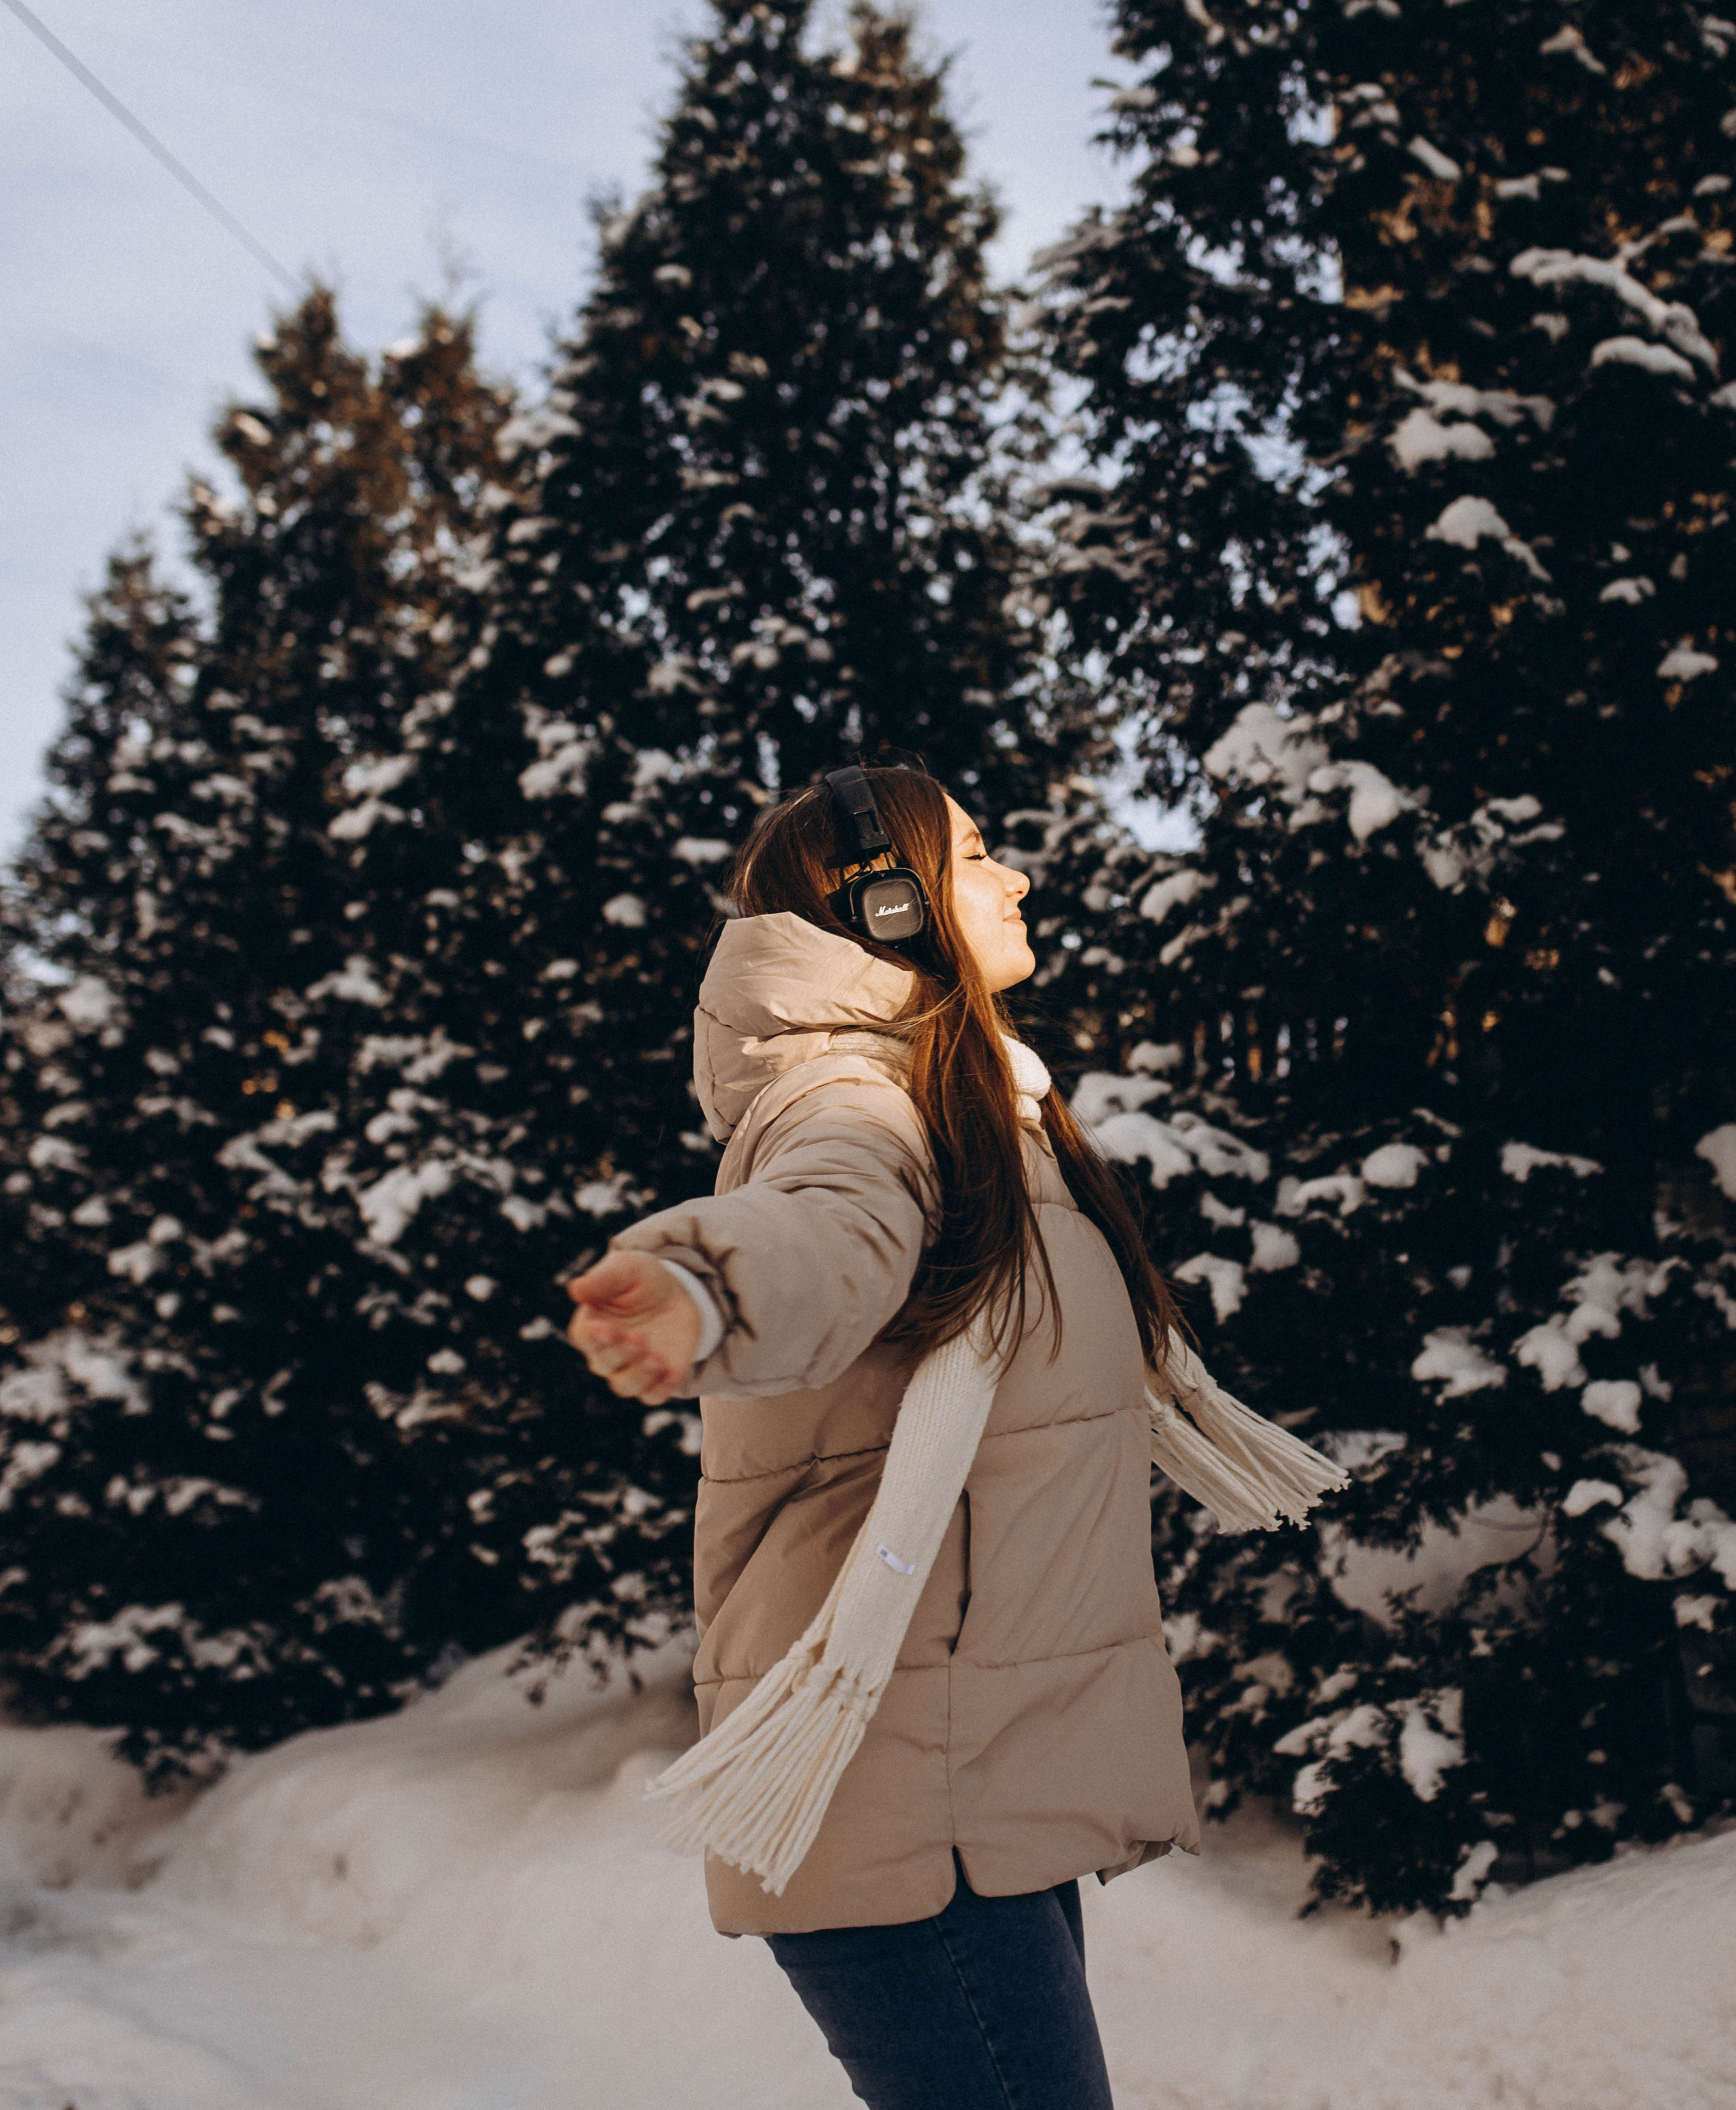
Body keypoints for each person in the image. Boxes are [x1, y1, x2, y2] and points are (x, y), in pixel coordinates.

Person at [566, 764, 1199, 2110]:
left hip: (970, 1786)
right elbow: (824, 1222)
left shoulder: (980, 1108)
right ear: (890, 906)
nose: (1012, 877)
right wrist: (705, 1287)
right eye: (971, 855)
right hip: (896, 1794)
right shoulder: (855, 1099)